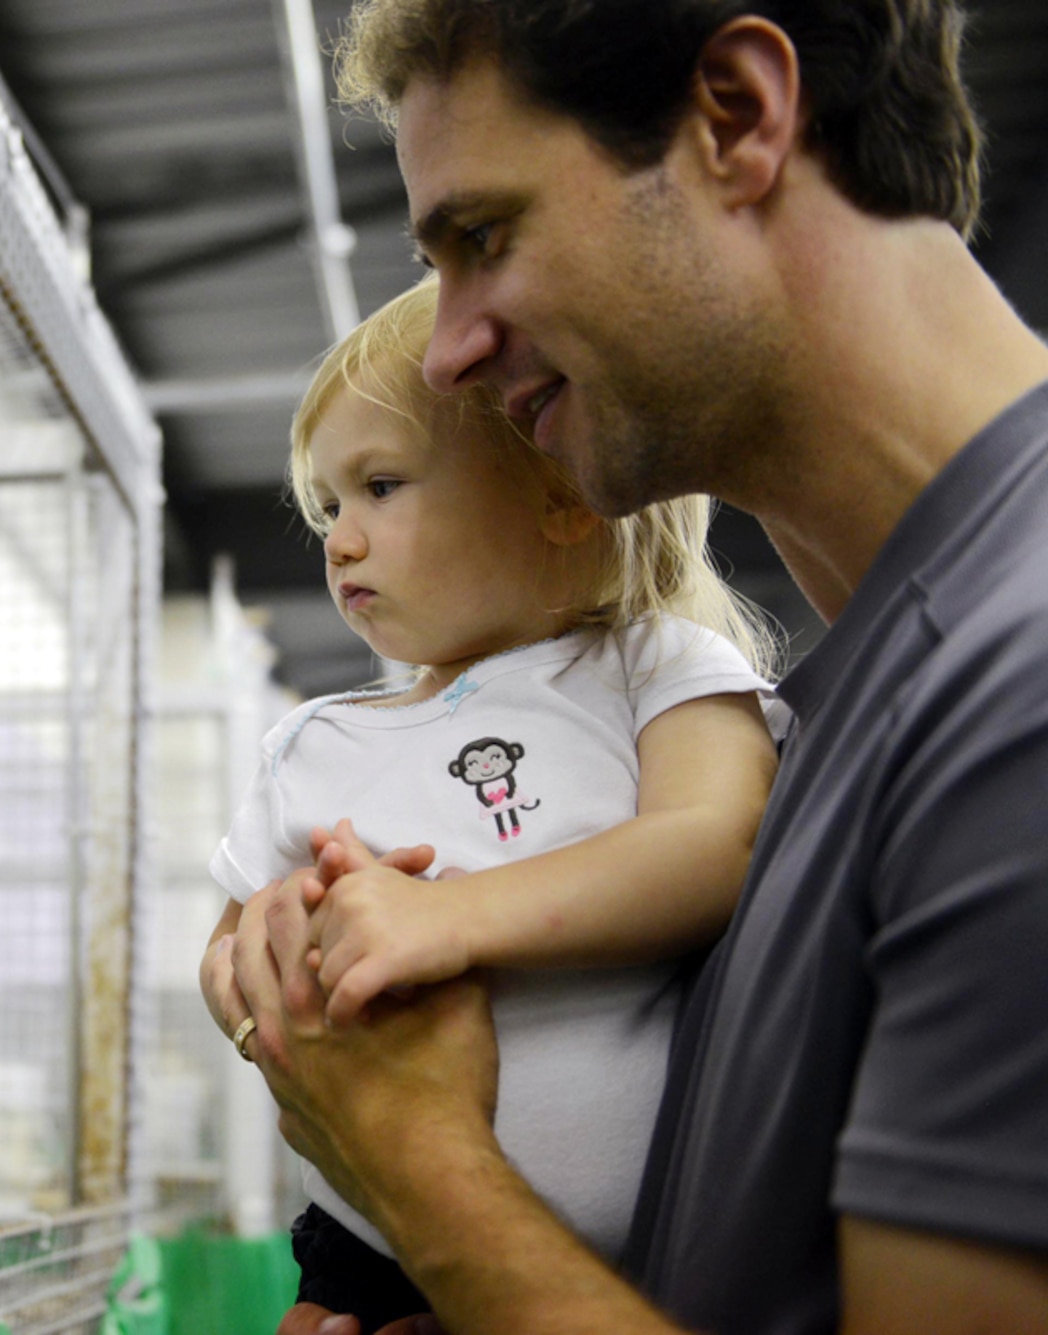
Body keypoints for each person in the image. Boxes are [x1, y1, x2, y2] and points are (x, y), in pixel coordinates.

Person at [206, 1, 1048, 1332]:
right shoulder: (854, 698)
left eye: (485, 236)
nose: (449, 346)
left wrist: (426, 1172)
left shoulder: (1018, 687)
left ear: (737, 118)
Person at [200, 276, 779, 1331]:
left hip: (656, 1245)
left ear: (561, 493)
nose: (337, 539)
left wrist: (447, 919)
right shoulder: (315, 741)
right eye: (329, 505)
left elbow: (719, 844)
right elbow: (228, 947)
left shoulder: (651, 667)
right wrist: (269, 993)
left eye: (380, 485)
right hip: (363, 1248)